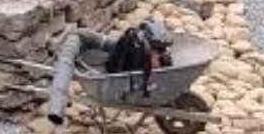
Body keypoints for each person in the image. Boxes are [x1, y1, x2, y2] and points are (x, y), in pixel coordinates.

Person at [46, 19, 175, 126]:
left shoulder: (134, 48)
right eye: (157, 54)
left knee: (74, 60)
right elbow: (116, 70)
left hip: (88, 39)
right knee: (65, 64)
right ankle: (57, 107)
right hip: (79, 38)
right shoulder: (134, 51)